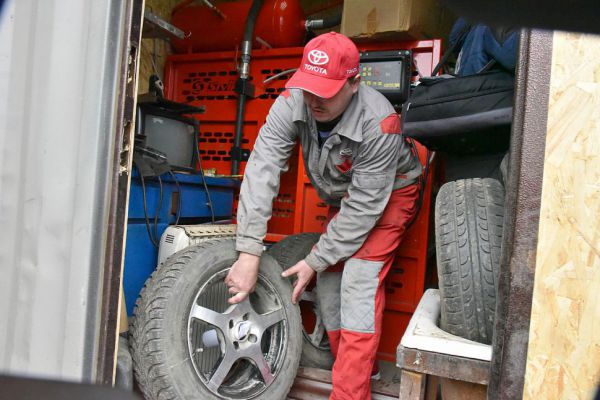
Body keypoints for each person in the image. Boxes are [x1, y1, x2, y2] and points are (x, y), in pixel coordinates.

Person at [225, 32, 422, 400]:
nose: (314, 100)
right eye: (309, 87)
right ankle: (358, 366)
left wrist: (314, 259)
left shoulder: (379, 123)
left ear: (354, 82)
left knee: (358, 283)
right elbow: (262, 168)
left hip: (390, 193)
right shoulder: (293, 102)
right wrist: (249, 251)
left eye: (326, 91)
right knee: (331, 285)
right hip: (349, 194)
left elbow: (365, 208)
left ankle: (350, 392)